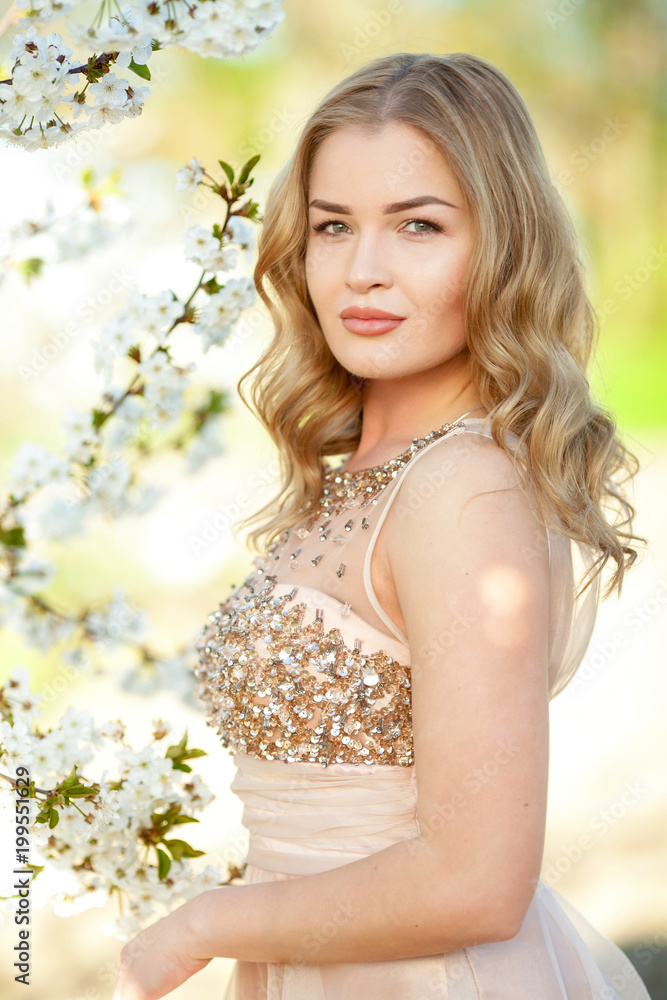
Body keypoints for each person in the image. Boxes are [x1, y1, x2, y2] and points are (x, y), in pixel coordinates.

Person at [113, 52, 651, 1000]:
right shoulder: (362, 474)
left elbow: (476, 883)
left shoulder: (464, 488)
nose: (363, 271)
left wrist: (202, 925)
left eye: (418, 226)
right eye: (333, 227)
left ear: (502, 246)